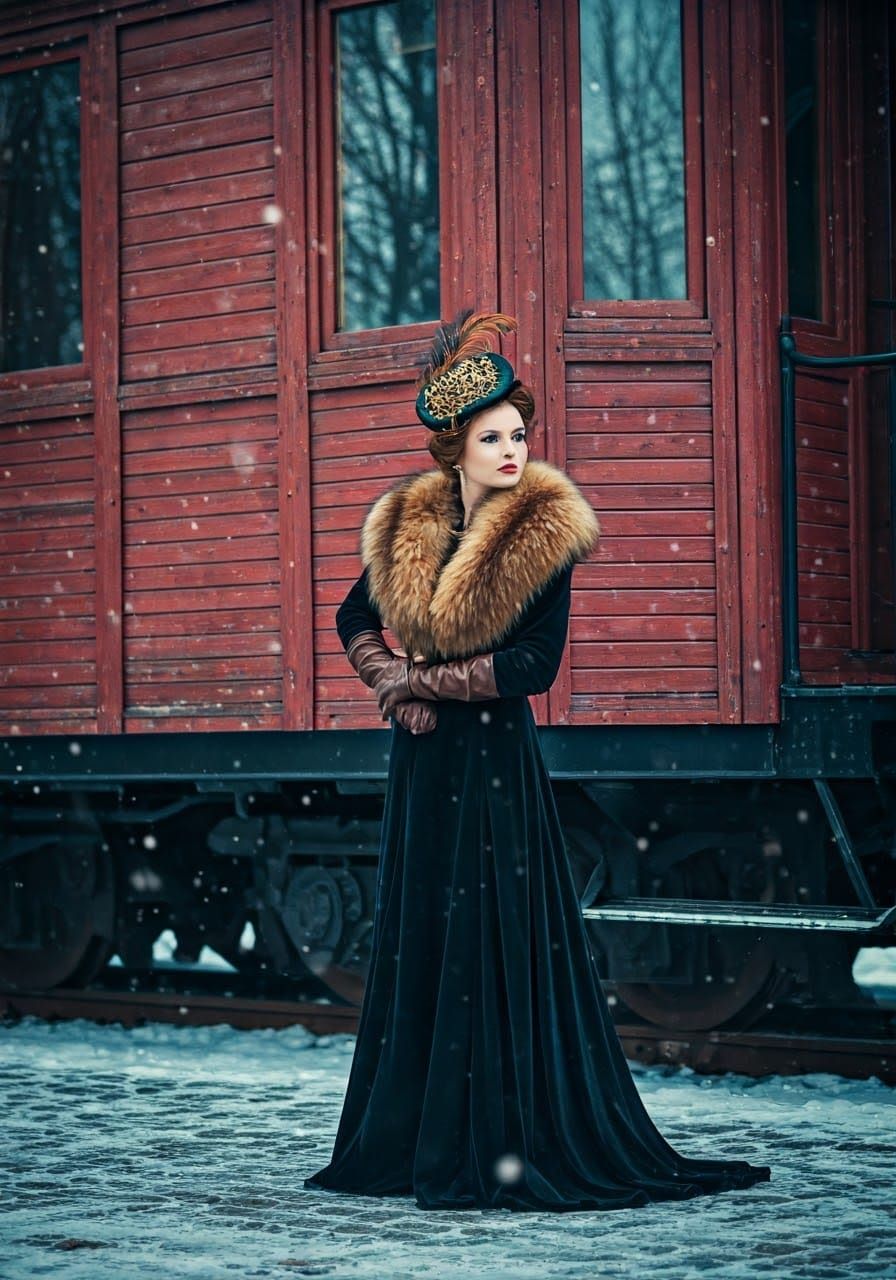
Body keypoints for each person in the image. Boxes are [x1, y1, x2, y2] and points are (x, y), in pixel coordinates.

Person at [304, 310, 771, 1212]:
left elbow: (532, 667)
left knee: (495, 944)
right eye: (493, 437)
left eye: (519, 433)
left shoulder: (541, 535)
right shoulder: (407, 524)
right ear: (455, 449)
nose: (514, 449)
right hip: (422, 772)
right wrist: (386, 678)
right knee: (424, 941)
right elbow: (351, 618)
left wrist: (418, 688)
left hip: (490, 769)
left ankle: (501, 1136)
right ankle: (413, 1137)